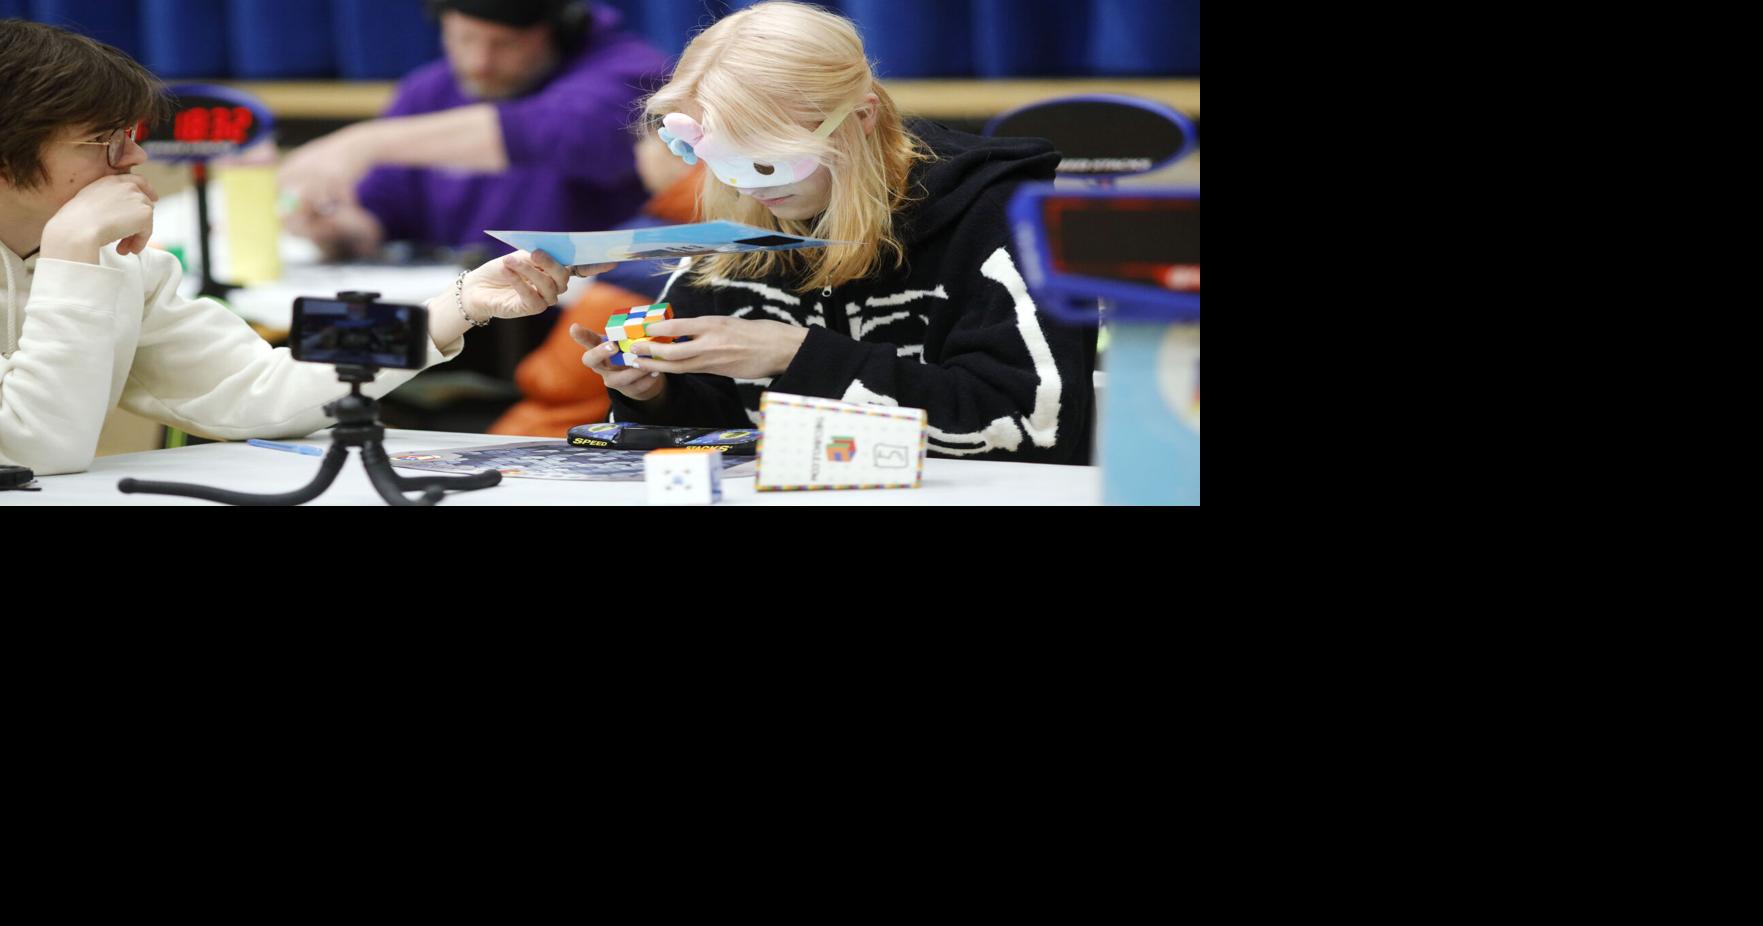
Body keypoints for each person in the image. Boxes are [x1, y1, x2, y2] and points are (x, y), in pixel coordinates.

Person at [0, 20, 605, 475]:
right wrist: (71, 253)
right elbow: (31, 450)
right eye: (100, 141)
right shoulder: (85, 255)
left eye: (129, 136)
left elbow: (256, 391)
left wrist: (460, 301)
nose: (133, 159)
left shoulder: (120, 267)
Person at [575, 1, 1094, 462]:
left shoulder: (1007, 217)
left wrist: (797, 354)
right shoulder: (742, 224)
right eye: (724, 164)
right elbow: (720, 436)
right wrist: (655, 393)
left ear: (861, 118)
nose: (750, 188)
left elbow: (1035, 429)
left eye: (771, 161)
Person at [280, 0, 670, 260]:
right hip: (466, 320)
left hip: (575, 320)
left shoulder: (630, 74)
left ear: (559, 31)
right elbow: (384, 212)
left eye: (506, 45)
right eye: (463, 38)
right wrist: (333, 229)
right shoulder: (428, 90)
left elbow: (562, 130)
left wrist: (366, 142)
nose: (479, 62)